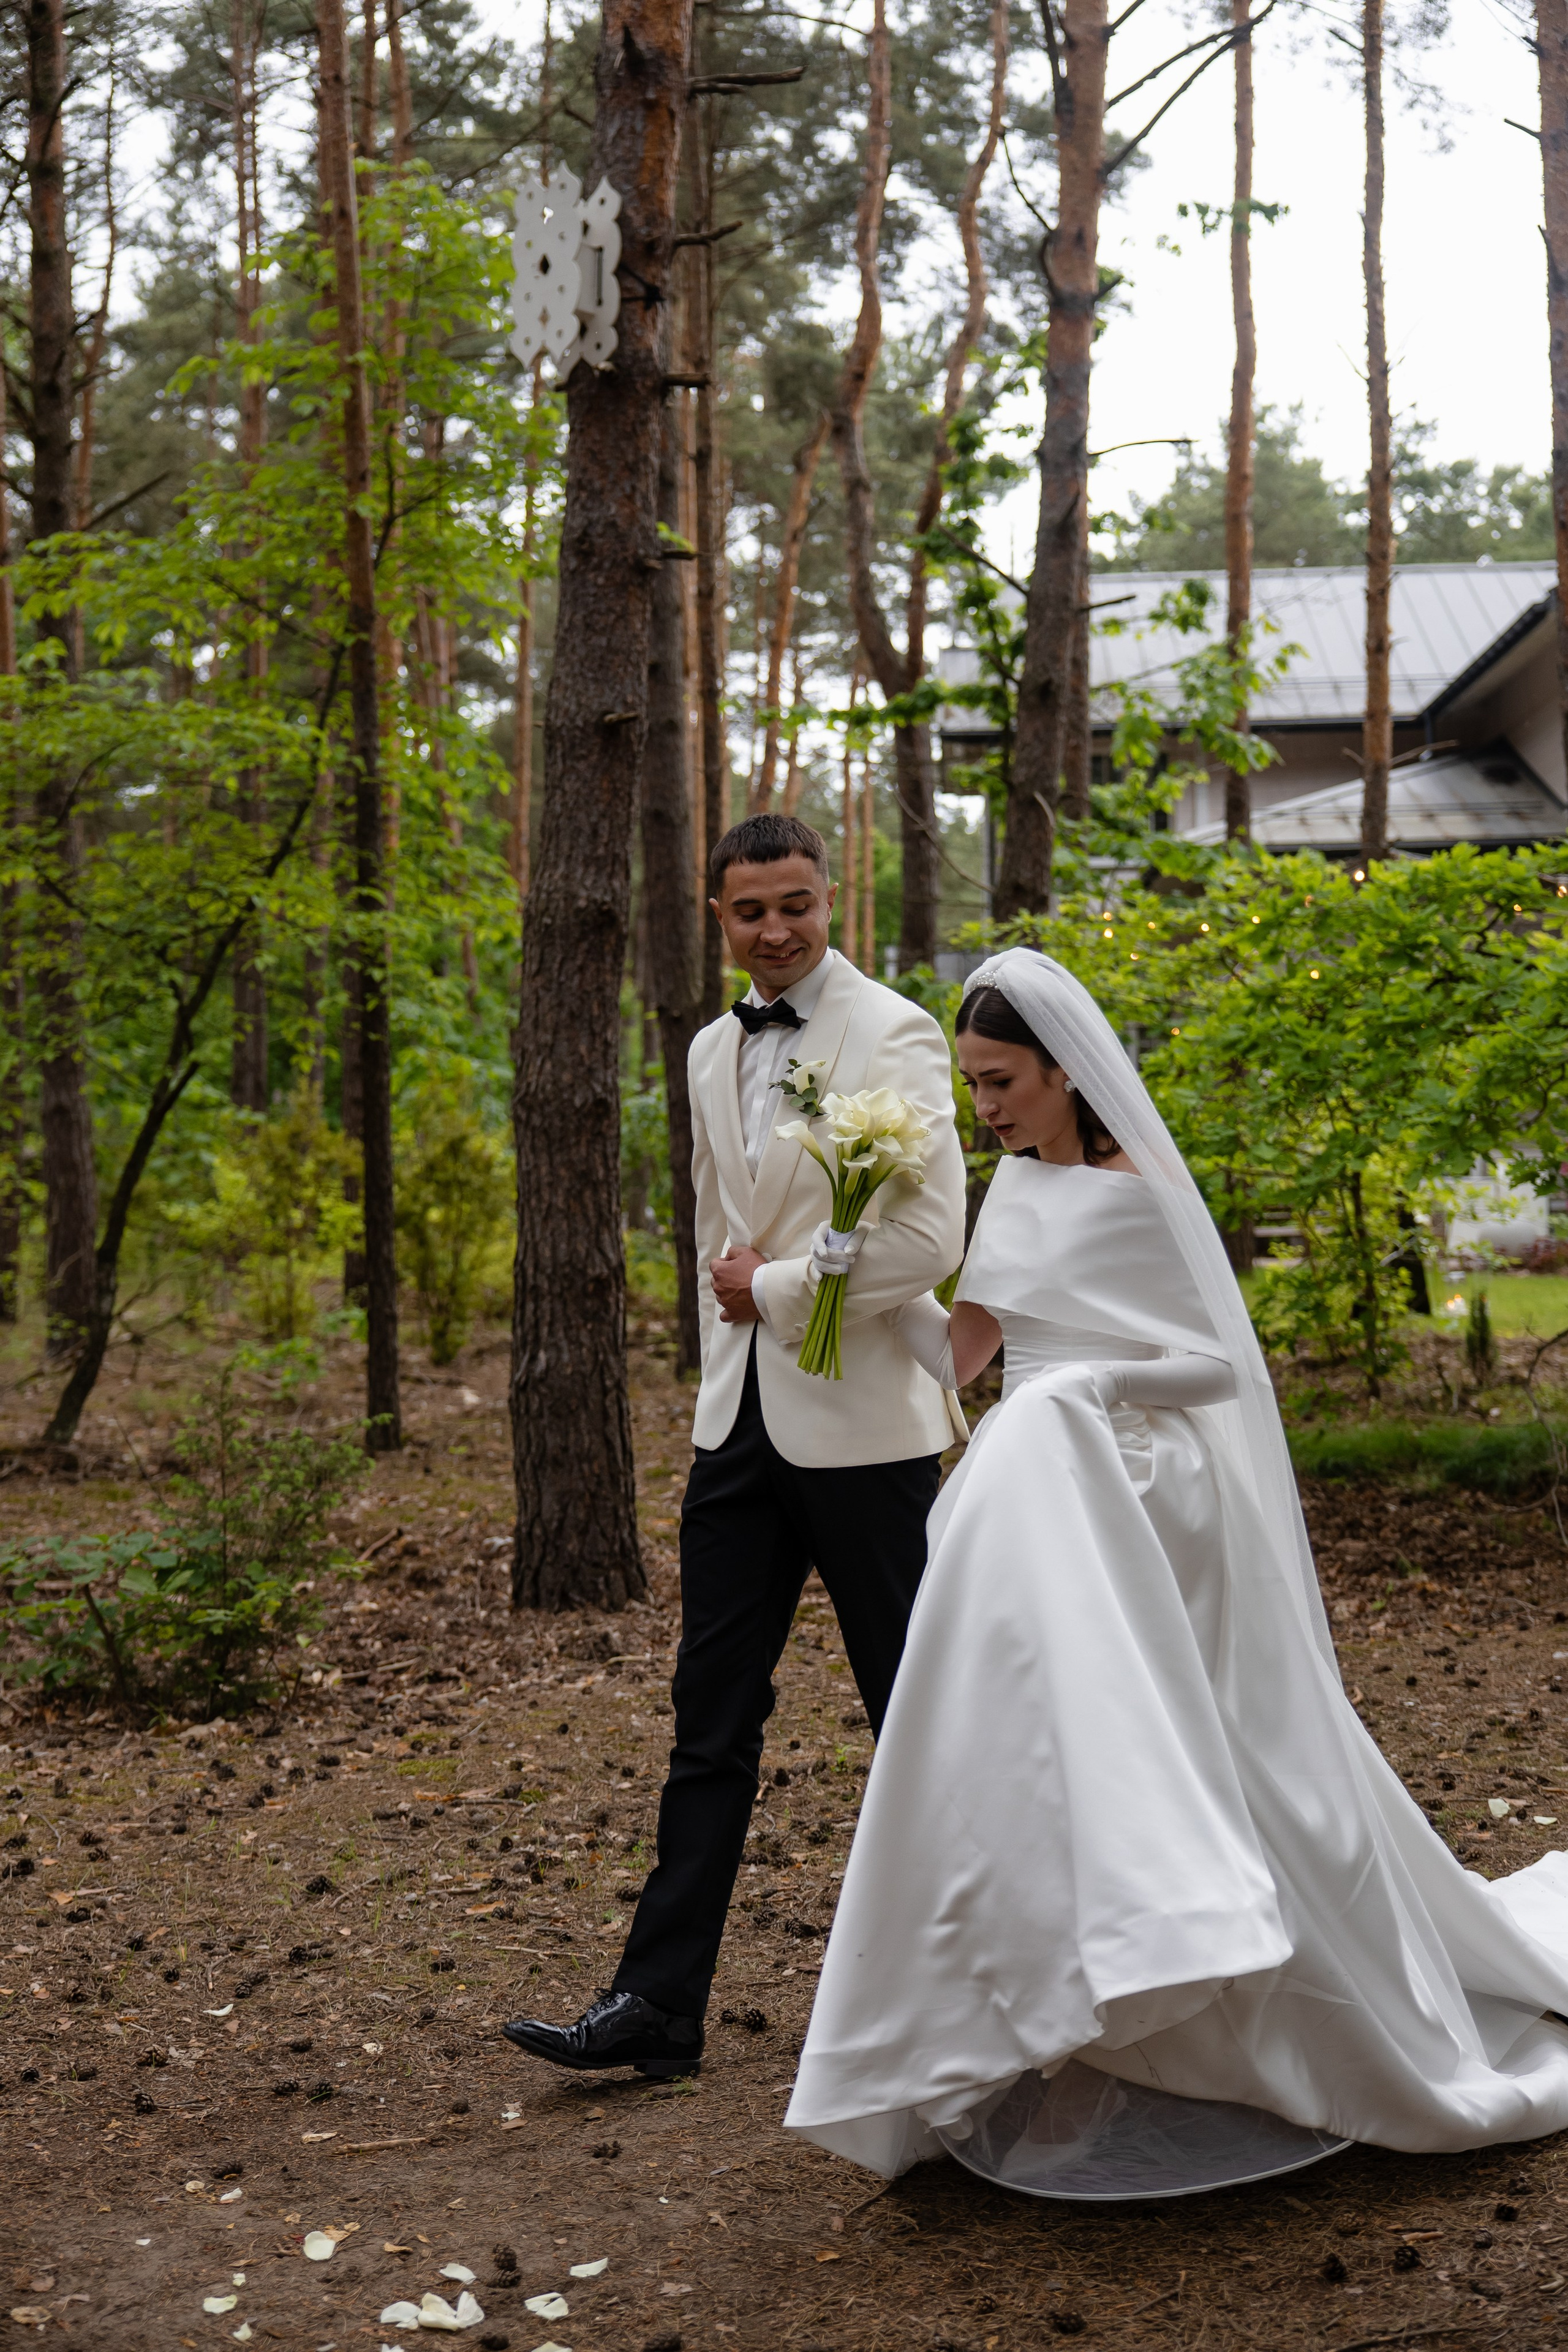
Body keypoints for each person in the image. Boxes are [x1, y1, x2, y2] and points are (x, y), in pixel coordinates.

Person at [785, 947, 1568, 2197]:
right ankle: (1059, 1988)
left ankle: (1246, 1980)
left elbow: (1217, 1369)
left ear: (1060, 1070)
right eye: (973, 1087)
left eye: (1001, 1083)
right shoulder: (1009, 1188)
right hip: (1032, 1485)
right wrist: (852, 1273)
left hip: (1143, 1477)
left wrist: (1097, 1384)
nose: (984, 1108)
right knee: (1042, 1737)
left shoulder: (1138, 1188)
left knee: (1195, 1736)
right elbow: (969, 1357)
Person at [505, 813, 967, 2081]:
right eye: (750, 910)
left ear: (832, 898)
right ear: (716, 915)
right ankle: (656, 2005)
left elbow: (930, 1244)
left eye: (797, 904)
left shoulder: (894, 1033)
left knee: (913, 1716)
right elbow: (727, 1225)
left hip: (868, 1439)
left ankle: (988, 1974)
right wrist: (742, 1324)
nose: (776, 930)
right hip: (738, 1434)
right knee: (709, 1721)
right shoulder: (713, 1047)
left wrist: (766, 1292)